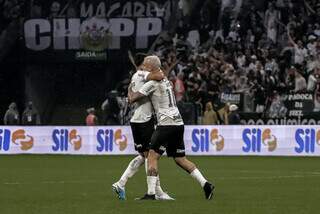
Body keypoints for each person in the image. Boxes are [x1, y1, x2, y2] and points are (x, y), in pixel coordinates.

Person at [128, 55, 214, 200]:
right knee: (181, 159)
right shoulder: (167, 81)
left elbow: (133, 99)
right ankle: (205, 184)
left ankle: (151, 194)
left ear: (151, 67)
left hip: (165, 125)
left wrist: (130, 89)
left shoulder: (151, 84)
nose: (144, 68)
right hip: (178, 123)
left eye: (146, 65)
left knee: (152, 156)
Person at [112, 54, 173, 200]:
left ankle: (121, 183)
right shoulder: (143, 73)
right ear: (144, 64)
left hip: (137, 119)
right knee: (150, 157)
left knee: (143, 155)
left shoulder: (135, 75)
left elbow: (131, 96)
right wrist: (156, 70)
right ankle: (156, 192)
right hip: (143, 121)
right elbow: (160, 75)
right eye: (146, 63)